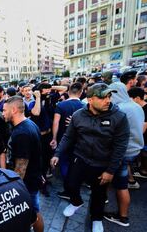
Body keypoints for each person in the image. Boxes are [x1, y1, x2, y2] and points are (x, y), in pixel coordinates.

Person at [51, 83, 130, 232]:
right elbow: (68, 137)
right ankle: (76, 202)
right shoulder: (78, 115)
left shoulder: (119, 117)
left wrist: (111, 170)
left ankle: (96, 218)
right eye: (103, 97)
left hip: (102, 164)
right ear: (91, 99)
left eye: (109, 96)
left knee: (99, 195)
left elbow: (120, 147)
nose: (108, 100)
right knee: (70, 184)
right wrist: (57, 154)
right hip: (80, 158)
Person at [102, 82, 144, 227]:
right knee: (121, 182)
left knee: (120, 184)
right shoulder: (137, 106)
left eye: (109, 94)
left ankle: (122, 217)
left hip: (122, 152)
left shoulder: (120, 109)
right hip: (135, 149)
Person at [2, 96, 44, 232]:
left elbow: (21, 167)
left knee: (32, 214)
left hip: (26, 184)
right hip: (33, 178)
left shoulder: (21, 133)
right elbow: (37, 154)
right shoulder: (30, 124)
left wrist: (14, 189)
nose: (2, 113)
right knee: (34, 211)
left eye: (4, 110)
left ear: (13, 110)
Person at [49, 82, 84, 200]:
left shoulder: (61, 105)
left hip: (63, 138)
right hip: (79, 140)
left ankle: (68, 190)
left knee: (64, 163)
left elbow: (56, 122)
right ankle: (74, 188)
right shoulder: (84, 106)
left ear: (68, 92)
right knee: (75, 164)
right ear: (81, 93)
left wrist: (54, 138)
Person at [128, 87, 147, 178]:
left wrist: (136, 138)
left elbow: (144, 127)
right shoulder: (139, 108)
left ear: (137, 98)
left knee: (144, 155)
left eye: (130, 98)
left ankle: (144, 171)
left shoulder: (144, 109)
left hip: (144, 139)